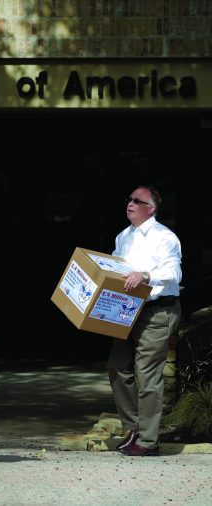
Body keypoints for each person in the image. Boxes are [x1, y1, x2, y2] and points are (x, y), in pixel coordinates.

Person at [108, 186, 182, 456]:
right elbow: (116, 271)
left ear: (150, 208)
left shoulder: (164, 237)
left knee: (147, 374)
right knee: (117, 367)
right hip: (128, 310)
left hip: (157, 310)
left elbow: (173, 272)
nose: (130, 203)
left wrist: (146, 276)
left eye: (137, 201)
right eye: (129, 199)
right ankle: (133, 428)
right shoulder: (123, 236)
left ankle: (149, 441)